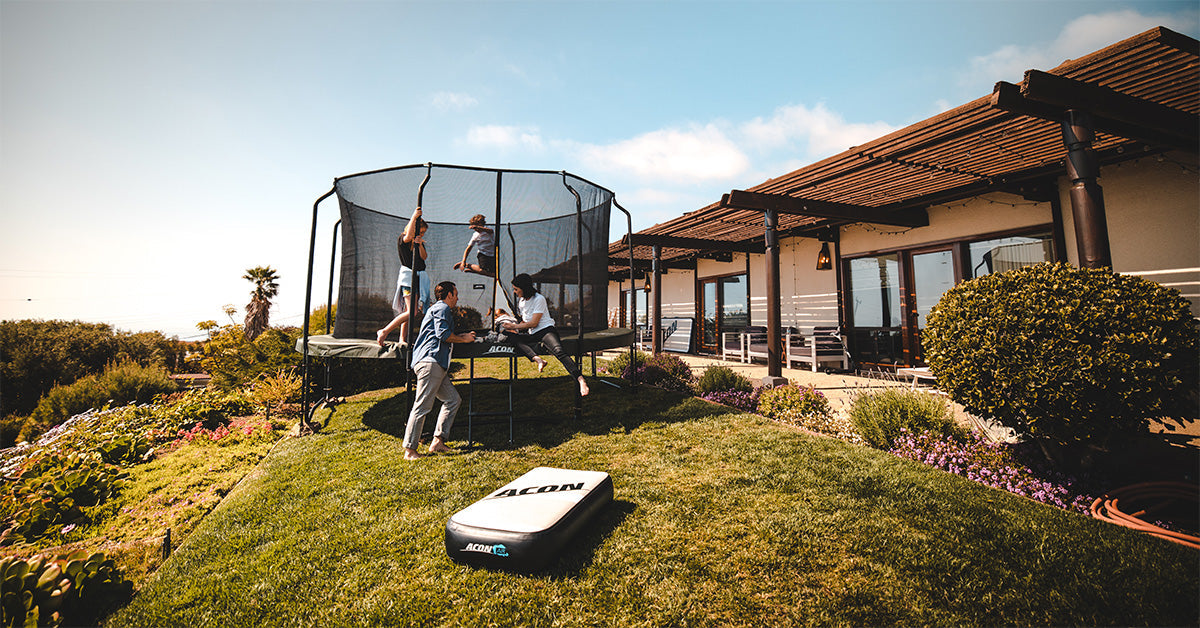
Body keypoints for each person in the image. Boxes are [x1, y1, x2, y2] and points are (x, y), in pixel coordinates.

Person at [403, 280, 476, 460]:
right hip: (430, 362)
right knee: (422, 406)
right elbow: (443, 334)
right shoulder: (442, 308)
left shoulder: (437, 309)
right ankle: (410, 450)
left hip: (435, 364)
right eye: (456, 294)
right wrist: (464, 339)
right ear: (449, 294)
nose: (457, 298)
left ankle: (438, 442)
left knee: (453, 400)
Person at [502, 273, 589, 397]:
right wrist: (514, 326)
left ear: (524, 288)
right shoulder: (521, 301)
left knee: (559, 351)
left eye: (516, 289)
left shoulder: (539, 299)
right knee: (509, 336)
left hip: (545, 330)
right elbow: (526, 322)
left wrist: (514, 326)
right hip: (532, 333)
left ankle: (581, 380)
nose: (515, 292)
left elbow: (534, 323)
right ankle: (538, 359)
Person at [377, 207, 432, 346]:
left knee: (409, 311)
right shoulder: (403, 239)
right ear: (413, 229)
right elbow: (408, 235)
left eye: (424, 232)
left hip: (418, 279)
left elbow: (424, 257)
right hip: (408, 279)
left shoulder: (419, 243)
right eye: (420, 231)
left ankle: (402, 338)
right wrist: (414, 217)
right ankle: (384, 331)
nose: (422, 234)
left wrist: (419, 245)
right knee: (412, 312)